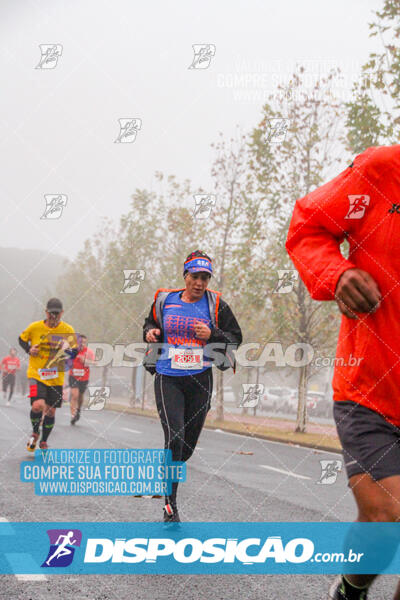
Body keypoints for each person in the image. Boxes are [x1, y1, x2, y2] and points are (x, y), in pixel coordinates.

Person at [286, 145, 400, 600]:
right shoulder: (380, 171)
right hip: (369, 390)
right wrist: (336, 273)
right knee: (385, 515)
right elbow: (307, 228)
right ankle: (349, 594)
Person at [143, 250, 242, 523]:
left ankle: (169, 467)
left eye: (205, 278)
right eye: (195, 277)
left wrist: (214, 335)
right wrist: (150, 333)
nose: (199, 283)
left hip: (200, 378)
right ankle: (170, 503)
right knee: (174, 437)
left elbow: (235, 338)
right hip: (168, 376)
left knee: (186, 446)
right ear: (185, 276)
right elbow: (150, 324)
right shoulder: (165, 299)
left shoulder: (217, 304)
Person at [18, 298, 77, 451]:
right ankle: (35, 431)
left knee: (50, 410)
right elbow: (22, 339)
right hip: (35, 375)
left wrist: (68, 350)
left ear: (62, 313)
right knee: (38, 405)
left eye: (57, 314)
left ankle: (44, 440)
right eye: (51, 313)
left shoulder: (68, 330)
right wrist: (29, 349)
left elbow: (74, 352)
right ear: (46, 312)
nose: (53, 317)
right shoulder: (35, 327)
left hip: (56, 377)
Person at [69, 334, 95, 425]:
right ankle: (73, 415)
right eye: (80, 342)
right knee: (74, 395)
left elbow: (93, 362)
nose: (82, 344)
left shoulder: (89, 352)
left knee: (80, 396)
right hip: (73, 376)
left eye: (84, 342)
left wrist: (84, 360)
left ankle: (78, 410)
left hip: (84, 377)